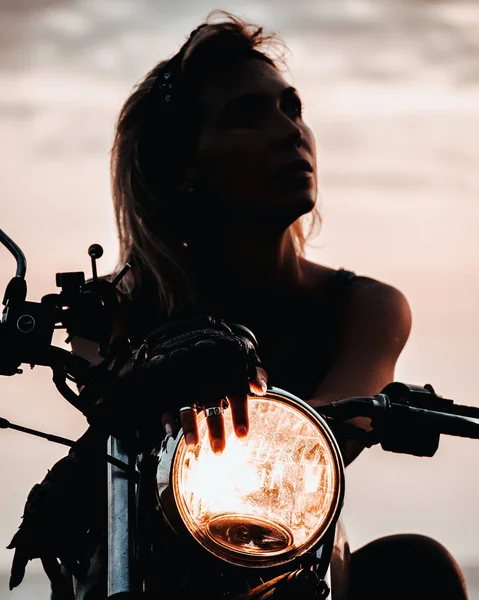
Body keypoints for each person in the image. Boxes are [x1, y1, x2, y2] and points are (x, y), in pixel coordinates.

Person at [7, 10, 468, 600]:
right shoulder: (113, 309)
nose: (289, 131)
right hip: (149, 549)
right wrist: (135, 380)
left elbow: (338, 429)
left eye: (292, 108)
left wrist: (258, 410)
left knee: (416, 569)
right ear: (182, 166)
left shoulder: (368, 307)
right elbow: (108, 386)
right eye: (247, 116)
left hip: (287, 555)